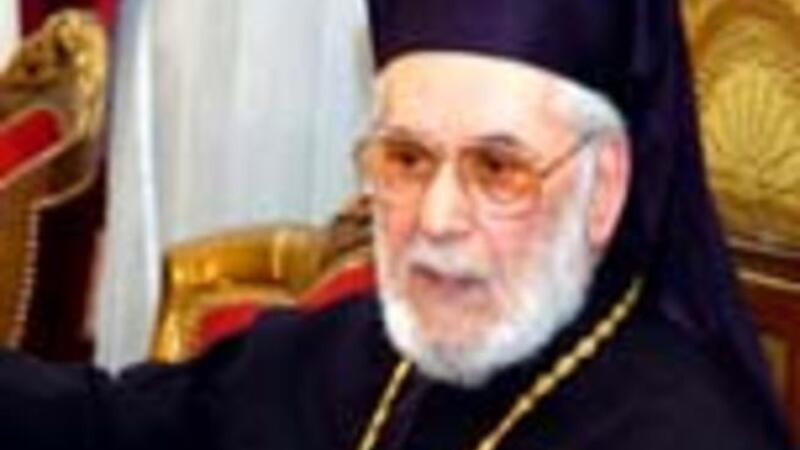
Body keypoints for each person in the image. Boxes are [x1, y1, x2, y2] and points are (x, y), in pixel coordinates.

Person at [0, 0, 793, 449]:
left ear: (603, 186)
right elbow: (114, 427)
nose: (438, 220)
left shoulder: (683, 433)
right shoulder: (361, 352)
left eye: (497, 168)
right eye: (407, 158)